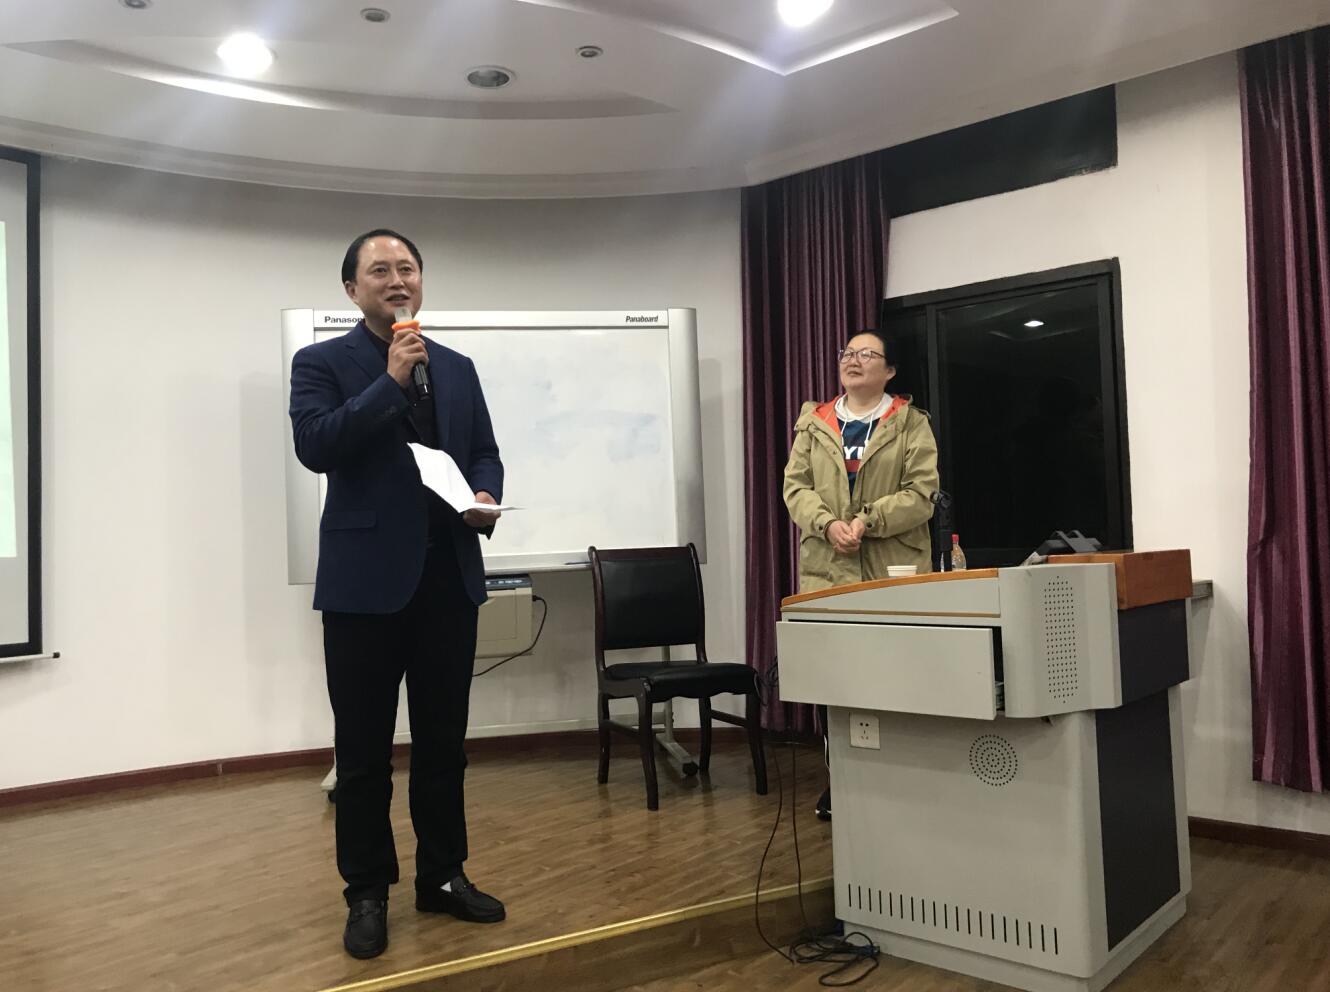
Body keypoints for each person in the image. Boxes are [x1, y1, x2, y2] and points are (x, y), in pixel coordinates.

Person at [289, 229, 506, 960]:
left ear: (421, 280)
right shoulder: (321, 363)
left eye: (406, 267)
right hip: (363, 590)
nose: (396, 279)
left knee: (444, 746)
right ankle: (367, 892)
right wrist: (389, 382)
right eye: (379, 270)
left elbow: (484, 451)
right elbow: (317, 446)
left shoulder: (458, 367)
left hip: (448, 580)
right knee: (362, 755)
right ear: (352, 289)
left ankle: (442, 875)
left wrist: (484, 494)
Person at [782, 329, 939, 820]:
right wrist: (828, 525)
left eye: (867, 354)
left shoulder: (910, 423)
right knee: (836, 681)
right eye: (848, 353)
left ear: (889, 370)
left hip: (890, 569)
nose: (853, 360)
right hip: (827, 571)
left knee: (893, 674)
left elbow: (922, 494)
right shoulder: (814, 424)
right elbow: (795, 489)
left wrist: (867, 521)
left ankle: (898, 783)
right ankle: (843, 780)